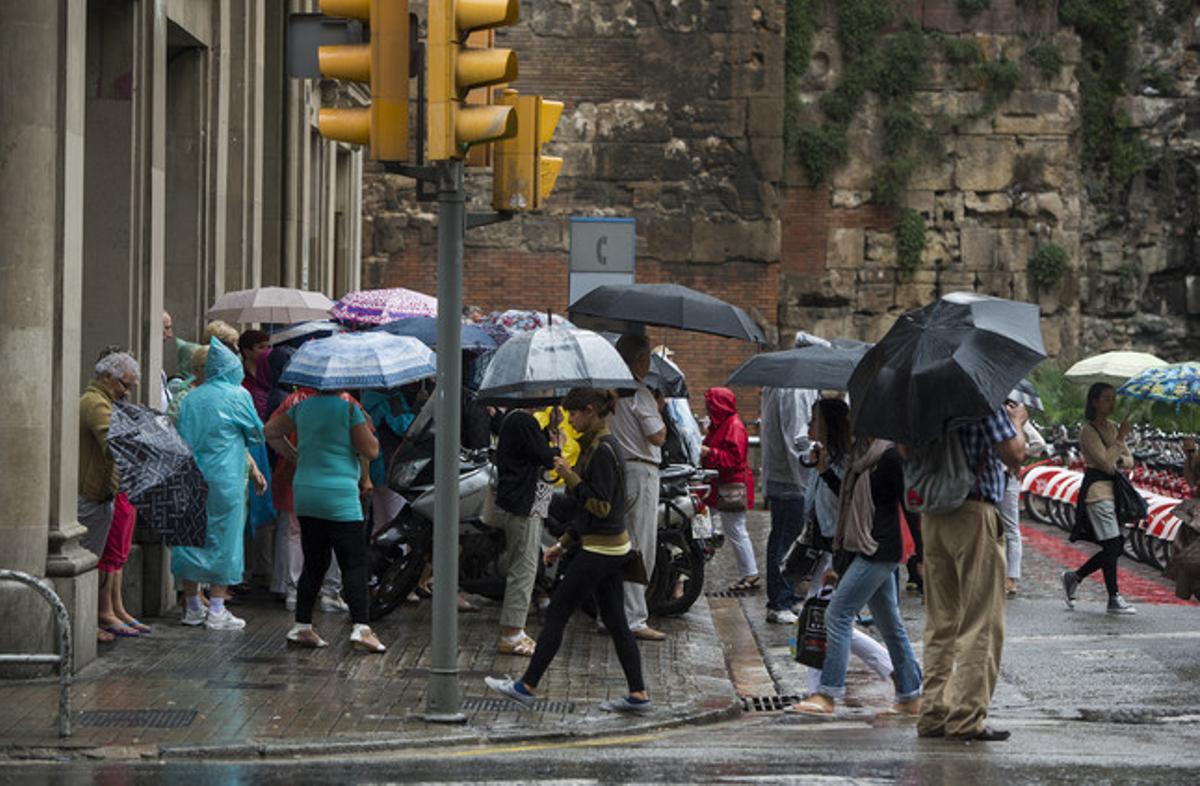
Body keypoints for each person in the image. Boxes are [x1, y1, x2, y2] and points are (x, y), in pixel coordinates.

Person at [485, 388, 650, 714]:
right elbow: (593, 512)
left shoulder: (603, 450)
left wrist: (569, 476)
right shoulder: (599, 446)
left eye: (574, 414)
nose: (571, 420)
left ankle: (525, 685)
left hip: (601, 550)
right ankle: (638, 694)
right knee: (616, 621)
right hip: (610, 547)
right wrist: (563, 543)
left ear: (590, 411)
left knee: (558, 612)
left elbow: (600, 506)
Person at [791, 420, 922, 717]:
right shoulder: (860, 460)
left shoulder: (888, 457)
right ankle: (911, 695)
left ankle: (828, 693)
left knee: (836, 614)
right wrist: (824, 472)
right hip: (863, 548)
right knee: (890, 624)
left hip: (880, 549)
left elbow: (909, 505)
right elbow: (847, 501)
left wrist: (922, 556)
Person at [918, 404, 1026, 742]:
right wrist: (1017, 423)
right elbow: (1014, 454)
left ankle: (933, 712)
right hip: (973, 510)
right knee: (980, 619)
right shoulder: (978, 396)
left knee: (941, 620)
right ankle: (965, 716)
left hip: (932, 512)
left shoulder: (921, 398)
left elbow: (906, 450)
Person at [786, 398, 895, 706]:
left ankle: (822, 692)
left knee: (827, 618)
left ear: (829, 423)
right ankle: (900, 673)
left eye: (814, 420)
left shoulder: (849, 461)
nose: (808, 426)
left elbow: (846, 503)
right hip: (825, 548)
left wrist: (823, 470)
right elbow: (814, 507)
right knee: (828, 617)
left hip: (843, 549)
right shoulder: (824, 456)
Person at [265, 383, 385, 652]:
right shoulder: (349, 409)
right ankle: (362, 628)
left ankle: (302, 626)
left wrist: (294, 455)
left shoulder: (302, 407)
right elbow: (371, 450)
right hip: (340, 495)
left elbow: (270, 431)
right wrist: (364, 422)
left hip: (306, 492)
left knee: (314, 562)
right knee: (353, 562)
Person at [172, 338, 268, 631]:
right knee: (224, 538)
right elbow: (256, 432)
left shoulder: (190, 397)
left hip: (190, 476)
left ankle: (191, 607)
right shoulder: (238, 395)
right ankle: (216, 608)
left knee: (191, 538)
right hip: (225, 477)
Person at [79, 350, 143, 643]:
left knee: (98, 559)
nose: (126, 391)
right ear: (106, 377)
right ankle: (84, 622)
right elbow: (113, 440)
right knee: (90, 560)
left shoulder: (106, 401)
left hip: (102, 491)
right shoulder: (95, 402)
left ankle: (92, 618)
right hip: (91, 493)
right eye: (123, 384)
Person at [609, 335, 668, 642]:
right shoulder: (638, 391)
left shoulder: (609, 389)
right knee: (640, 548)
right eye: (647, 357)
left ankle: (611, 615)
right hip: (641, 470)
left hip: (617, 469)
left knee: (617, 545)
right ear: (640, 359)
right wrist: (658, 409)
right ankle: (633, 618)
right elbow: (657, 436)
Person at [491, 406, 562, 655]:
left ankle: (514, 630)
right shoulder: (522, 420)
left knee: (525, 565)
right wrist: (556, 441)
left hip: (524, 503)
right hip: (524, 504)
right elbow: (547, 456)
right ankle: (512, 633)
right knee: (524, 567)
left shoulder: (516, 419)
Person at [1062, 384, 1136, 615]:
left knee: (1114, 545)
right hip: (1097, 492)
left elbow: (1129, 460)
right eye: (1106, 399)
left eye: (1113, 399)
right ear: (1094, 402)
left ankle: (1075, 577)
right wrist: (1120, 441)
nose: (1111, 404)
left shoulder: (1113, 428)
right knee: (1113, 544)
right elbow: (1104, 462)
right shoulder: (1088, 431)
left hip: (1114, 493)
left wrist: (1118, 454)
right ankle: (1113, 597)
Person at [759, 385, 820, 623]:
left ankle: (788, 596)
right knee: (786, 540)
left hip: (785, 477)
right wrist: (811, 466)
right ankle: (780, 600)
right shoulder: (797, 390)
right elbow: (797, 437)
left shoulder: (783, 387)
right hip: (791, 479)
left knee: (787, 538)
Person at [701, 387, 757, 592]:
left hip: (730, 486)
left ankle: (750, 573)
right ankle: (748, 572)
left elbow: (733, 459)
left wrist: (709, 452)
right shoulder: (724, 424)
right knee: (729, 527)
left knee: (736, 529)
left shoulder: (731, 426)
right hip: (723, 484)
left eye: (710, 404)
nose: (707, 408)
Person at [999, 409, 1048, 597]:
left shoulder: (1013, 415)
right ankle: (1008, 578)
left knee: (1008, 528)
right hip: (1004, 476)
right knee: (1007, 528)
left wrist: (1018, 457)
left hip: (1005, 476)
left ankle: (1011, 578)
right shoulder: (1009, 414)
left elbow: (1039, 443)